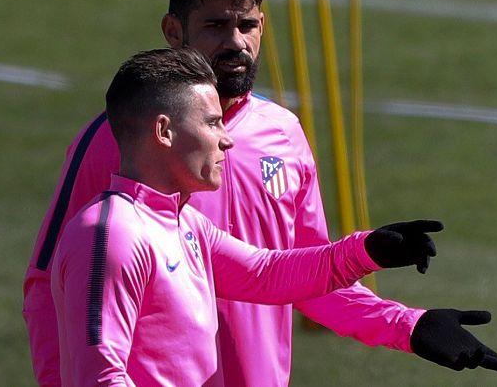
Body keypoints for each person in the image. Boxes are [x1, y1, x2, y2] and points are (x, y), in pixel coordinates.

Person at [23, 0, 497, 386]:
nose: (236, 42)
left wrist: (407, 324)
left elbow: (286, 275)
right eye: (216, 25)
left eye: (248, 25)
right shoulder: (119, 142)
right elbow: (51, 286)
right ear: (174, 31)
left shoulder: (282, 136)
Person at [52, 47, 445, 385]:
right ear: (164, 131)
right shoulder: (112, 236)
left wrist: (368, 251)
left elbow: (266, 274)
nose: (227, 139)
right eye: (211, 123)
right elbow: (101, 377)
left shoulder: (184, 224)